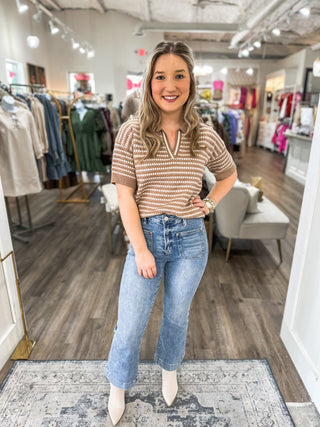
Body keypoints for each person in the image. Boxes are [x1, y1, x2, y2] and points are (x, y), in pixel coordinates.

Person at [105, 41, 237, 425]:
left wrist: (209, 203)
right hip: (146, 235)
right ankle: (118, 384)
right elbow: (125, 196)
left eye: (179, 75)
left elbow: (228, 175)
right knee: (130, 321)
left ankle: (169, 369)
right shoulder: (130, 133)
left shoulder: (205, 134)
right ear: (149, 82)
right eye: (160, 75)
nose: (170, 84)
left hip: (191, 239)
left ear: (190, 82)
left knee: (177, 316)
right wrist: (140, 249)